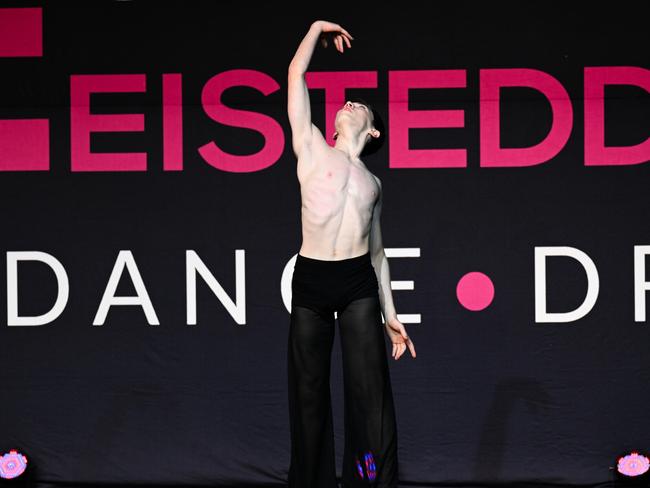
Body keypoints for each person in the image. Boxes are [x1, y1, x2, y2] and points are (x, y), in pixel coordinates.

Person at [286, 20, 416, 488]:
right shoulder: (312, 146)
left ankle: (368, 482)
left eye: (358, 105)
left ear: (373, 131)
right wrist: (316, 28)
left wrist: (392, 315)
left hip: (359, 282)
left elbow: (378, 254)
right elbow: (296, 76)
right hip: (313, 279)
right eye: (345, 102)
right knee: (308, 394)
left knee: (369, 395)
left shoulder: (373, 183)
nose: (348, 105)